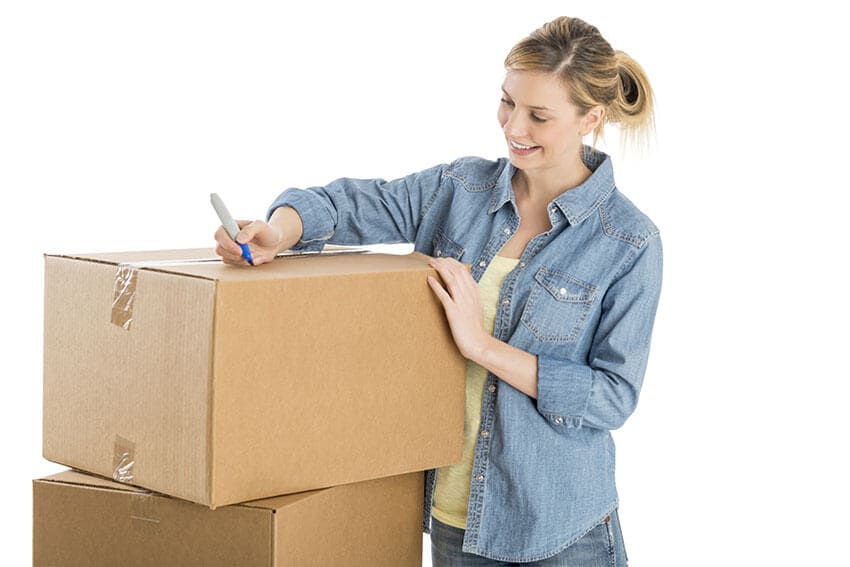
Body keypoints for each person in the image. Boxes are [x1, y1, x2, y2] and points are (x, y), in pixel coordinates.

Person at [215, 15, 661, 566]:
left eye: (539, 116)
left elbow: (612, 396)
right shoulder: (459, 191)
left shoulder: (628, 241)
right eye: (507, 103)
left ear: (590, 118)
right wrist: (278, 231)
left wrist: (481, 345)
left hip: (561, 532)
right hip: (453, 522)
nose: (514, 128)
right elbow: (349, 205)